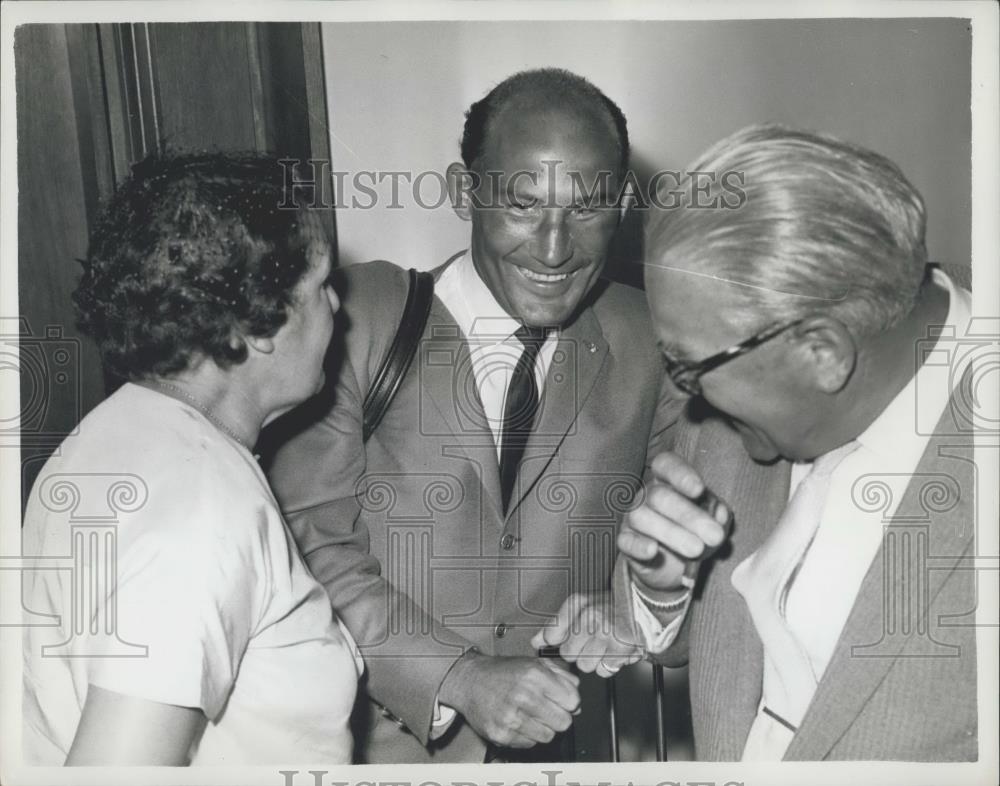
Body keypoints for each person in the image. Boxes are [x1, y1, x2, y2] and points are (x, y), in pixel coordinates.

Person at [266, 68, 678, 763]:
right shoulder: (359, 320)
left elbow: (680, 527)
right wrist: (458, 678)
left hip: (559, 749)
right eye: (522, 205)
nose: (555, 248)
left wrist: (628, 605)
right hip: (368, 752)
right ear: (466, 192)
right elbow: (306, 544)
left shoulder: (656, 336)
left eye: (588, 208)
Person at [540, 124, 978, 760]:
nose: (686, 398)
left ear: (824, 353)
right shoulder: (727, 414)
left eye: (690, 367)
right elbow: (715, 640)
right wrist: (661, 591)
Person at [22, 152, 362, 765]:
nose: (338, 308)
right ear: (263, 321)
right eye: (320, 287)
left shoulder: (112, 432)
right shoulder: (202, 509)